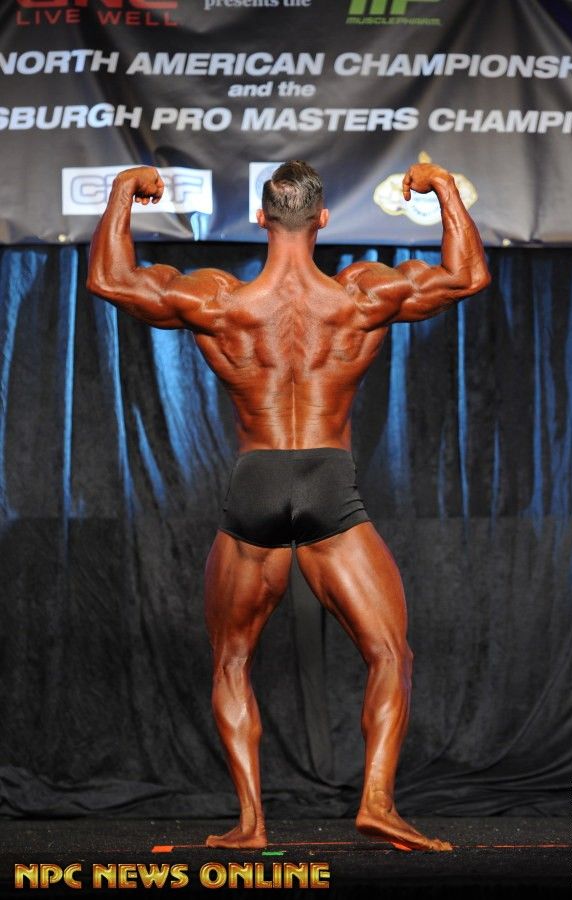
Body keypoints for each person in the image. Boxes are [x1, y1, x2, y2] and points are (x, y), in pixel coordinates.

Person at [87, 160, 490, 852]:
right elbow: (466, 276)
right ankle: (377, 803)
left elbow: (110, 280)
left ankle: (251, 824)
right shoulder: (362, 296)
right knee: (389, 654)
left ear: (261, 218)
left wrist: (125, 189)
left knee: (231, 659)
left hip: (256, 485)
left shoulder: (221, 302)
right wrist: (446, 188)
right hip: (329, 482)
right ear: (324, 218)